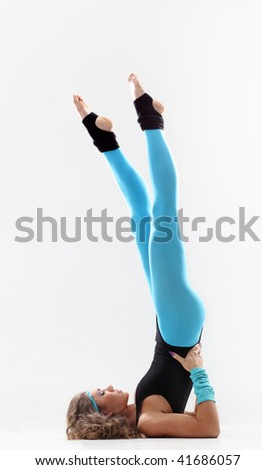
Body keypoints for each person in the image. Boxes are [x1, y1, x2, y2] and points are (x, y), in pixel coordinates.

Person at [66, 74, 220, 439]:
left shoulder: (140, 406)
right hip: (178, 330)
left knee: (142, 216)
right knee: (163, 211)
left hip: (168, 322)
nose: (106, 387)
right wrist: (198, 370)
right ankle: (150, 118)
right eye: (101, 394)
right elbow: (209, 429)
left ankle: (102, 136)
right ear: (103, 415)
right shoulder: (147, 422)